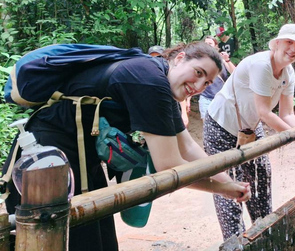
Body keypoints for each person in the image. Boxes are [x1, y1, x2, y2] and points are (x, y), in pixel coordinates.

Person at [6, 42, 251, 251]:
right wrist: (223, 189)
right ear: (179, 59)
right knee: (68, 240)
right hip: (47, 157)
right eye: (198, 73)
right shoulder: (149, 80)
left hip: (84, 156)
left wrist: (228, 182)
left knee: (101, 240)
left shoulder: (160, 82)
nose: (198, 87)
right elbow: (169, 165)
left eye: (207, 83)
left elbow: (186, 146)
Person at [203, 23, 295, 241]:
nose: (293, 49)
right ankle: (235, 243)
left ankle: (264, 236)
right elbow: (266, 113)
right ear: (276, 43)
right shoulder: (261, 65)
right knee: (230, 187)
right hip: (220, 125)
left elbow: (286, 114)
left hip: (249, 126)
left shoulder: (288, 72)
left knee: (261, 176)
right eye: (289, 42)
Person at [148, 45, 190, 127]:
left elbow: (179, 94)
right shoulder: (148, 75)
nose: (156, 59)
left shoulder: (169, 73)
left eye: (158, 56)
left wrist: (184, 114)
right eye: (152, 57)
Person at [197, 36, 235, 121]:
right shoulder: (199, 60)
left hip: (222, 98)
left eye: (210, 43)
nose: (208, 45)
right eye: (206, 44)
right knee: (207, 125)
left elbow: (235, 73)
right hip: (205, 98)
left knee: (224, 124)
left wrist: (227, 60)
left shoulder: (222, 60)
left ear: (215, 45)